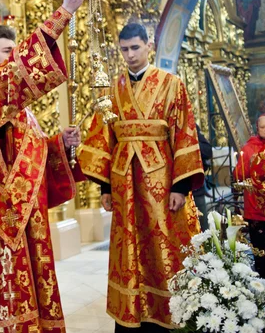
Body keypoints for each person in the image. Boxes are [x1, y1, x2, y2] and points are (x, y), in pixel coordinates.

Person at [0, 0, 89, 332]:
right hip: (7, 222)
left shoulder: (20, 112)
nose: (15, 58)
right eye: (8, 52)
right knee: (15, 293)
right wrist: (63, 13)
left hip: (29, 215)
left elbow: (29, 153)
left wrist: (59, 145)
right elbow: (16, 77)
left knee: (39, 289)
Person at [78, 23, 204, 332]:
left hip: (161, 180)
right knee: (128, 245)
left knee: (163, 244)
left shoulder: (172, 84)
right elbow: (103, 136)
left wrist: (180, 185)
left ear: (149, 46)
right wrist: (105, 187)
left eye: (135, 47)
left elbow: (184, 132)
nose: (130, 55)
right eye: (124, 49)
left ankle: (168, 313)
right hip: (123, 181)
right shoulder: (112, 90)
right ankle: (131, 315)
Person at [235, 113, 265, 279]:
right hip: (256, 209)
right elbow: (238, 175)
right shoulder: (249, 149)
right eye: (263, 127)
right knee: (261, 255)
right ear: (257, 128)